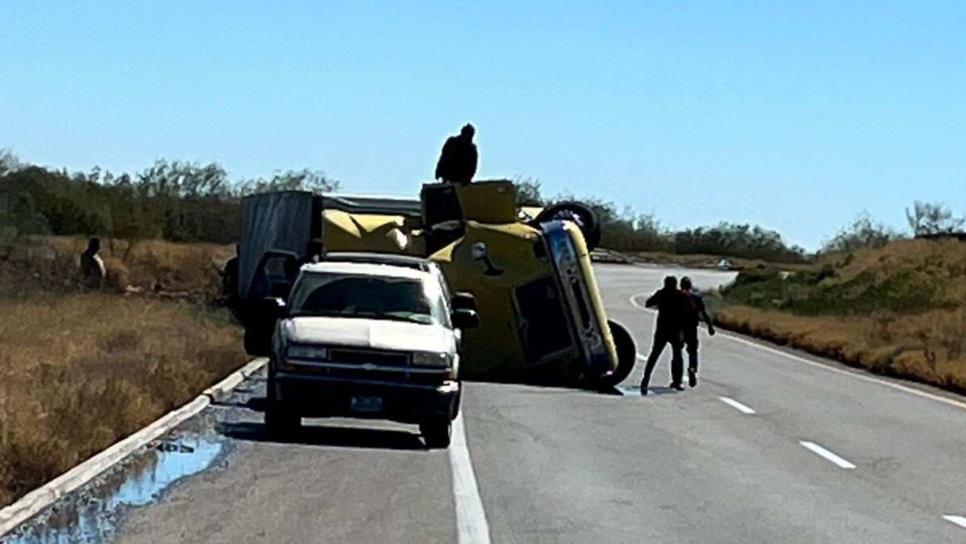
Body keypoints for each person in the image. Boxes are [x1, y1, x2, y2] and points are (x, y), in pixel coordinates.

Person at [640, 275, 690, 395]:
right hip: (676, 330)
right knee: (677, 356)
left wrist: (660, 303)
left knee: (654, 356)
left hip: (662, 329)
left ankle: (645, 380)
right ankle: (677, 382)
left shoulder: (661, 293)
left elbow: (648, 303)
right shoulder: (681, 295)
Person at [680, 276, 715, 388]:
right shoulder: (696, 298)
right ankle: (692, 369)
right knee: (693, 351)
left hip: (679, 328)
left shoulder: (677, 296)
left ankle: (677, 378)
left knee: (677, 351)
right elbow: (703, 313)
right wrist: (710, 326)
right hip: (692, 327)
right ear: (690, 286)